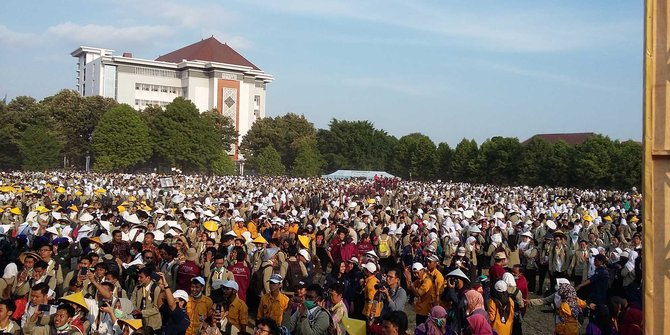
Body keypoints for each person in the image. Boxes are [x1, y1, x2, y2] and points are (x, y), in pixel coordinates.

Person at [130, 268, 163, 332]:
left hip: (153, 325)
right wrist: (135, 309)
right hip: (139, 323)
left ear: (148, 277)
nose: (138, 279)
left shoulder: (156, 289)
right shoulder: (137, 288)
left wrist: (142, 312)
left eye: (141, 277)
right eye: (138, 277)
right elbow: (132, 301)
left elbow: (157, 309)